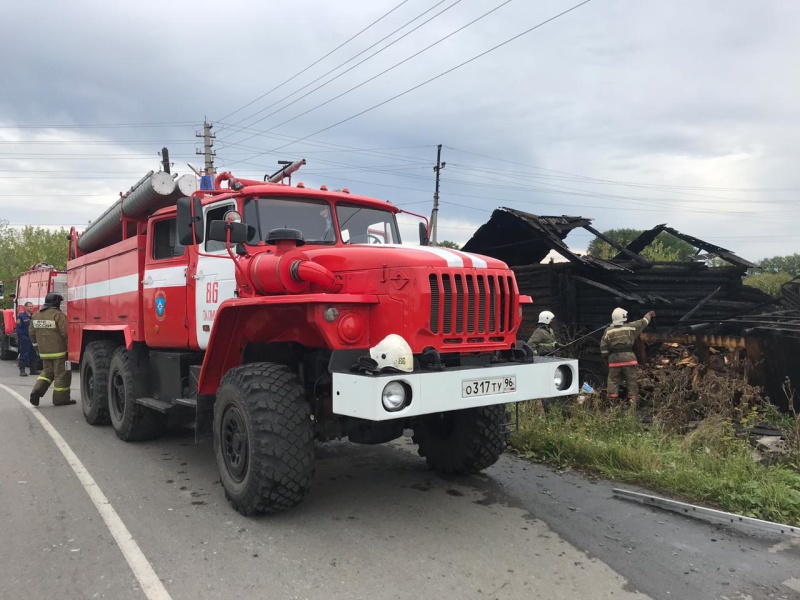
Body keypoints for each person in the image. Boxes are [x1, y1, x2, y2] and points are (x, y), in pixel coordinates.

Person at [600, 307, 655, 407]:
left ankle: (612, 403)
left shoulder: (608, 331)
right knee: (631, 381)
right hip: (629, 360)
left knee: (613, 381)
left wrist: (605, 358)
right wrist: (649, 314)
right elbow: (643, 322)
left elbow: (603, 347)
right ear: (623, 317)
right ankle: (633, 404)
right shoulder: (630, 327)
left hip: (614, 361)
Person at [28, 293, 74, 407]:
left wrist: (37, 348)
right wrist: (71, 348)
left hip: (44, 352)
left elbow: (32, 333)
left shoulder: (36, 315)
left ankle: (36, 391)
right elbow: (66, 333)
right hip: (60, 352)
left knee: (47, 373)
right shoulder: (58, 315)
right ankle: (60, 399)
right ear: (56, 303)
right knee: (62, 375)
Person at [16, 302, 40, 377]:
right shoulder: (21, 316)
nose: (31, 307)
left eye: (32, 306)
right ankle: (22, 370)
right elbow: (19, 329)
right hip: (25, 338)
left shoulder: (33, 316)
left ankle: (33, 370)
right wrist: (23, 338)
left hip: (33, 338)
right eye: (30, 306)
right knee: (24, 354)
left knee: (34, 354)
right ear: (25, 307)